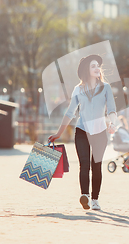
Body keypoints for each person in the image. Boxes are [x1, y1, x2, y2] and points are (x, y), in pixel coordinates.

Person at [48, 55, 117, 211]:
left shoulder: (105, 87)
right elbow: (70, 112)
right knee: (84, 164)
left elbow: (112, 109)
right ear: (87, 70)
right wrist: (59, 133)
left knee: (96, 165)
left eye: (98, 65)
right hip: (82, 130)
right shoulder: (78, 89)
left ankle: (95, 199)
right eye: (93, 66)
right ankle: (85, 195)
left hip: (100, 132)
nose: (97, 68)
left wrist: (112, 123)